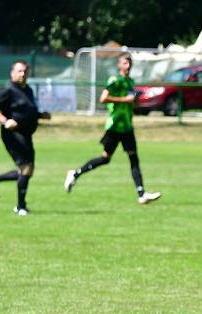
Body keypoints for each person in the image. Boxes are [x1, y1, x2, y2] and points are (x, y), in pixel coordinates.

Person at [64, 55, 161, 205]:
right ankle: (75, 174)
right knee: (105, 158)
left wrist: (135, 101)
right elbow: (103, 98)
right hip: (114, 126)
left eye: (130, 62)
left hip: (127, 126)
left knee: (134, 159)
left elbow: (131, 105)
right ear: (119, 65)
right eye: (125, 62)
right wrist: (125, 100)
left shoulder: (130, 82)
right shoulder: (114, 81)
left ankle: (141, 194)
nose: (128, 65)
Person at [0, 60, 51, 216]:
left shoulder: (28, 90)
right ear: (12, 73)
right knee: (27, 167)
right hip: (13, 134)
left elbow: (26, 111)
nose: (23, 74)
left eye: (25, 71)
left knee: (27, 170)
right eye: (19, 71)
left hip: (26, 134)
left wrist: (40, 115)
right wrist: (5, 121)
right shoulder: (7, 90)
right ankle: (20, 206)